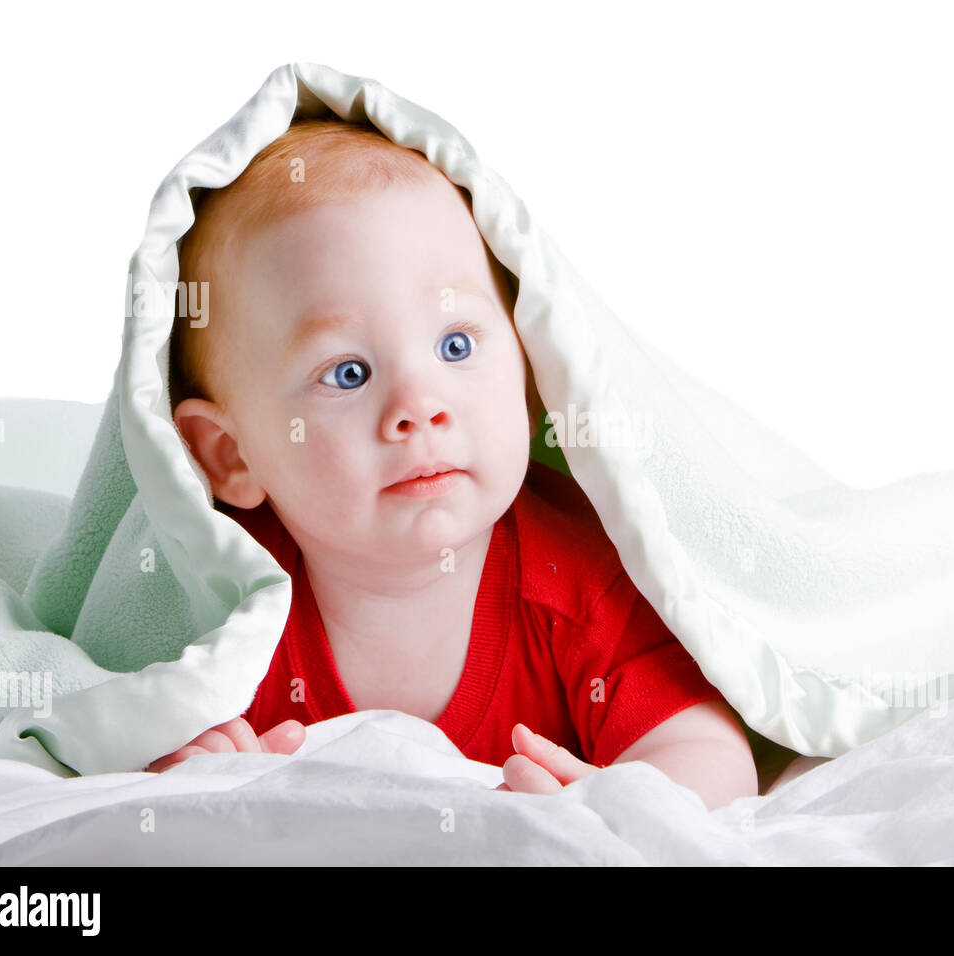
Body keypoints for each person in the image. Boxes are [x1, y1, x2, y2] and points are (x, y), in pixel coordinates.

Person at [151, 119, 758, 811]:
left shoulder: (577, 581)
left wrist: (626, 799)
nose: (420, 407)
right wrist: (194, 763)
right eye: (349, 373)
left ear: (533, 370)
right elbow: (121, 736)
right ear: (231, 455)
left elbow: (711, 748)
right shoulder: (229, 614)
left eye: (457, 346)